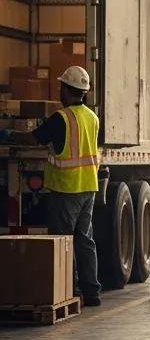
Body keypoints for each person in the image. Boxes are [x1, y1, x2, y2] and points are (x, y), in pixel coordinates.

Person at [0, 66, 103, 307]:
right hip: (88, 186)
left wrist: (8, 134)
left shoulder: (62, 118)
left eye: (61, 87)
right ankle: (91, 291)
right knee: (85, 240)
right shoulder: (93, 117)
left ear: (66, 91)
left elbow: (34, 138)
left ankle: (66, 289)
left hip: (66, 189)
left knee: (64, 242)